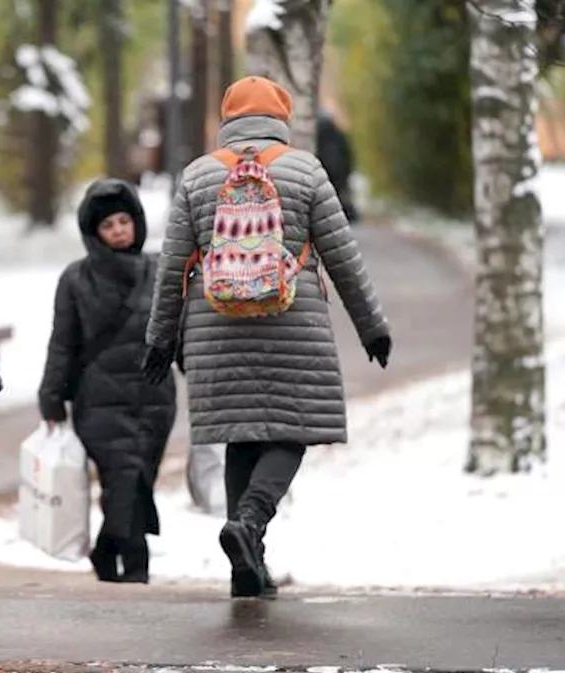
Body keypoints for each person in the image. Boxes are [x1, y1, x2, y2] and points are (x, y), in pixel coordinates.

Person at [141, 76, 392, 599]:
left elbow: (171, 267)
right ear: (281, 116)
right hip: (291, 319)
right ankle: (250, 525)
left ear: (227, 118)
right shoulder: (305, 170)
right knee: (291, 430)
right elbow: (343, 255)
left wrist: (160, 339)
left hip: (215, 324)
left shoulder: (198, 176)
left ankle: (245, 566)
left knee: (242, 435)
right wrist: (372, 327)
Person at [38, 179, 177, 583]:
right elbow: (62, 343)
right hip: (98, 403)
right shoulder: (76, 279)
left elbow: (179, 333)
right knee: (125, 480)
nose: (117, 230)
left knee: (136, 484)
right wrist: (51, 397)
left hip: (155, 401)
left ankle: (105, 551)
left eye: (123, 221)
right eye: (107, 225)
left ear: (136, 222)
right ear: (93, 234)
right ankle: (136, 571)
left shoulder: (161, 270)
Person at [316, 109, 358, 223]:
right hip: (339, 175)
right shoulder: (340, 135)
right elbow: (348, 156)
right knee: (337, 200)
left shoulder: (318, 135)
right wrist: (347, 174)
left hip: (323, 173)